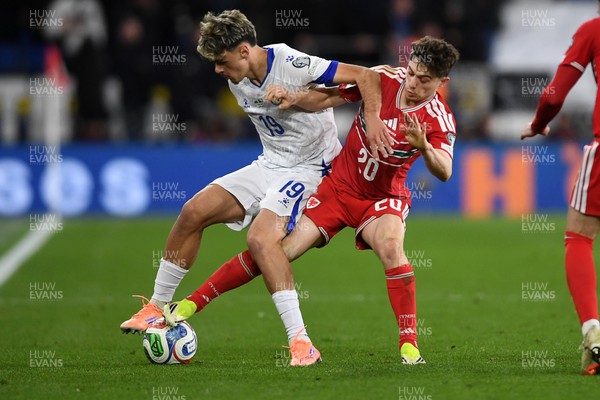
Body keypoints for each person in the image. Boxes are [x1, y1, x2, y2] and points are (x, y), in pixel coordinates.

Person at [120, 9, 392, 367]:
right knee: (193, 211)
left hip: (310, 169)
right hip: (269, 164)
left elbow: (365, 76)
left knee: (261, 240)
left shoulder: (291, 62)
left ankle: (301, 342)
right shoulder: (237, 78)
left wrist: (371, 121)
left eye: (222, 61)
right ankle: (156, 306)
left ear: (245, 51)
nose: (218, 70)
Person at [165, 36, 460, 365]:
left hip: (382, 198)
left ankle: (409, 346)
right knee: (275, 251)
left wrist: (423, 146)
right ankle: (191, 304)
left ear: (442, 82)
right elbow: (328, 97)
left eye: (424, 80)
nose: (413, 83)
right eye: (412, 73)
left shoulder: (439, 118)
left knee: (392, 249)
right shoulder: (384, 80)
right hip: (337, 188)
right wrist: (292, 97)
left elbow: (445, 170)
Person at [520, 1, 600, 375]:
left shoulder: (593, 30)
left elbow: (553, 94)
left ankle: (592, 330)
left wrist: (538, 124)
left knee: (580, 236)